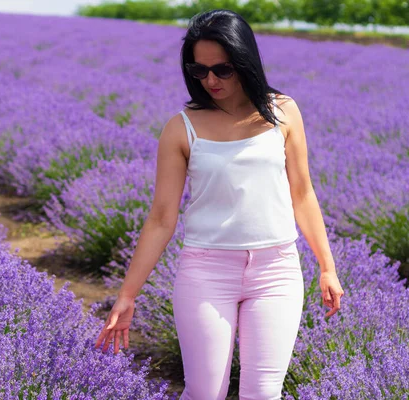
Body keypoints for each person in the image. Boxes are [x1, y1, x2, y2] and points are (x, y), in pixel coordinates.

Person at [94, 9, 344, 400]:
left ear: (245, 60)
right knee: (204, 392)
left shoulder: (283, 112)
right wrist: (127, 295)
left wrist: (327, 267)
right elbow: (161, 218)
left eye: (223, 70)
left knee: (263, 393)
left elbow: (303, 193)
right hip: (206, 272)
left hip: (276, 270)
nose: (210, 80)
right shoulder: (181, 127)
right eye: (199, 70)